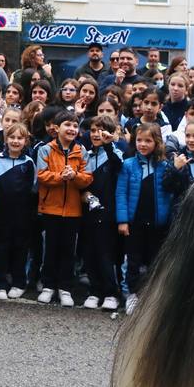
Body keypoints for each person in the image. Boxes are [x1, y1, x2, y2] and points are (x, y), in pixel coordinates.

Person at [35, 110, 93, 307]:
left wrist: (74, 176)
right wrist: (61, 176)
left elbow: (87, 177)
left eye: (75, 126)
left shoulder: (81, 151)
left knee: (69, 250)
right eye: (67, 125)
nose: (71, 129)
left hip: (73, 210)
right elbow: (41, 175)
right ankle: (48, 286)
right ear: (56, 128)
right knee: (50, 249)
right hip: (51, 208)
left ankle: (65, 288)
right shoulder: (46, 149)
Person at [116, 123, 175, 314]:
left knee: (155, 261)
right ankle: (133, 294)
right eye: (139, 140)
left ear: (157, 142)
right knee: (133, 260)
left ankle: (152, 297)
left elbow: (171, 191)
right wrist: (123, 220)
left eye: (148, 140)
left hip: (158, 224)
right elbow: (121, 193)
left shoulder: (165, 166)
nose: (143, 144)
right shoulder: (128, 164)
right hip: (135, 223)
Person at [0, 122, 36, 300]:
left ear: (26, 141)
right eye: (12, 137)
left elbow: (33, 188)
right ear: (6, 139)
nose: (15, 141)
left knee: (21, 248)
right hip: (1, 212)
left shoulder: (28, 162)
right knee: (1, 248)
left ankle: (19, 282)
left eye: (20, 138)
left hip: (23, 214)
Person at [80, 115, 124, 310]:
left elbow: (118, 166)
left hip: (108, 212)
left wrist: (109, 145)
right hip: (88, 210)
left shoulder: (115, 152)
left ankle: (111, 292)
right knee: (89, 251)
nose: (96, 134)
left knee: (106, 252)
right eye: (93, 129)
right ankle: (95, 290)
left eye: (101, 130)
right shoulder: (86, 155)